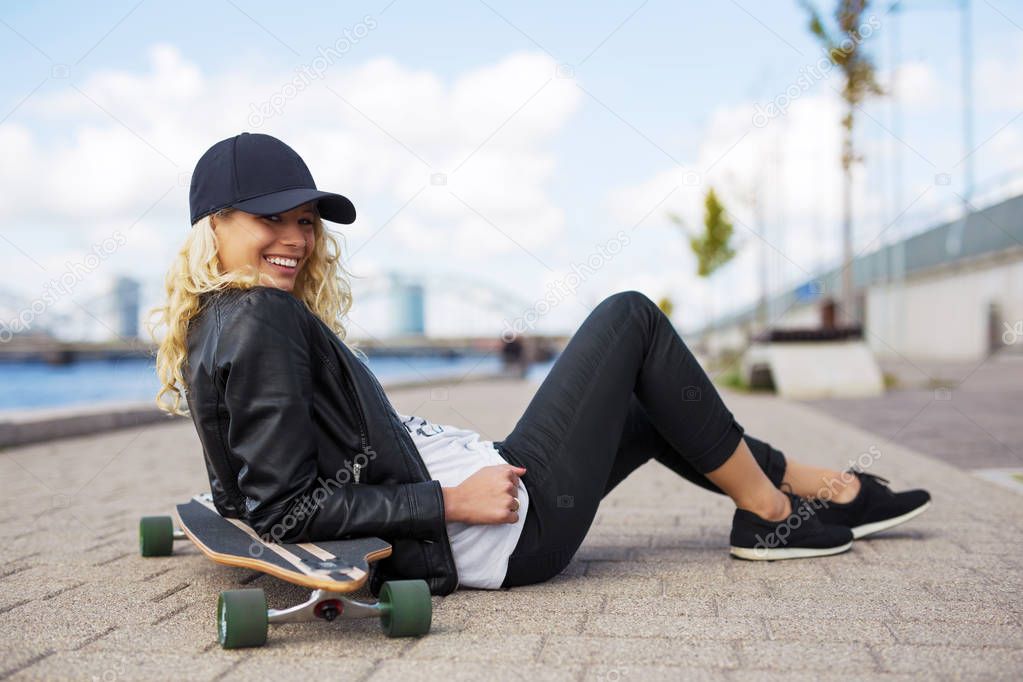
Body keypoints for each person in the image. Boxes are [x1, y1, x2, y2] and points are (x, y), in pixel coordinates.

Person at [149, 132, 931, 595]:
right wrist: (449, 503)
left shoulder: (228, 319)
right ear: (211, 224)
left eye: (306, 221)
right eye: (270, 220)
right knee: (629, 317)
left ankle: (827, 491)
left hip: (486, 493)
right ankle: (770, 519)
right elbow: (286, 512)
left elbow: (256, 486)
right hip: (501, 528)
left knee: (645, 402)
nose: (296, 239)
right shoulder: (258, 320)